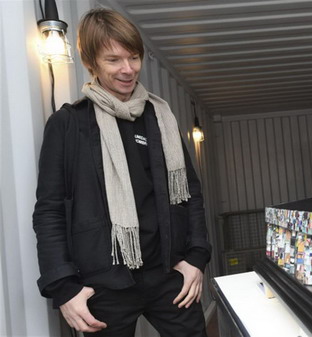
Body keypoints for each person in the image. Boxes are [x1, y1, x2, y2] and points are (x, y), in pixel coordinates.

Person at [32, 8, 211, 336]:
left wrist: (197, 258)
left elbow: (191, 194)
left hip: (168, 275)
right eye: (114, 60)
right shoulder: (68, 125)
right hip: (103, 285)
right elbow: (50, 211)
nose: (128, 70)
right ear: (91, 63)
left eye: (134, 58)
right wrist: (64, 288)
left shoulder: (161, 119)